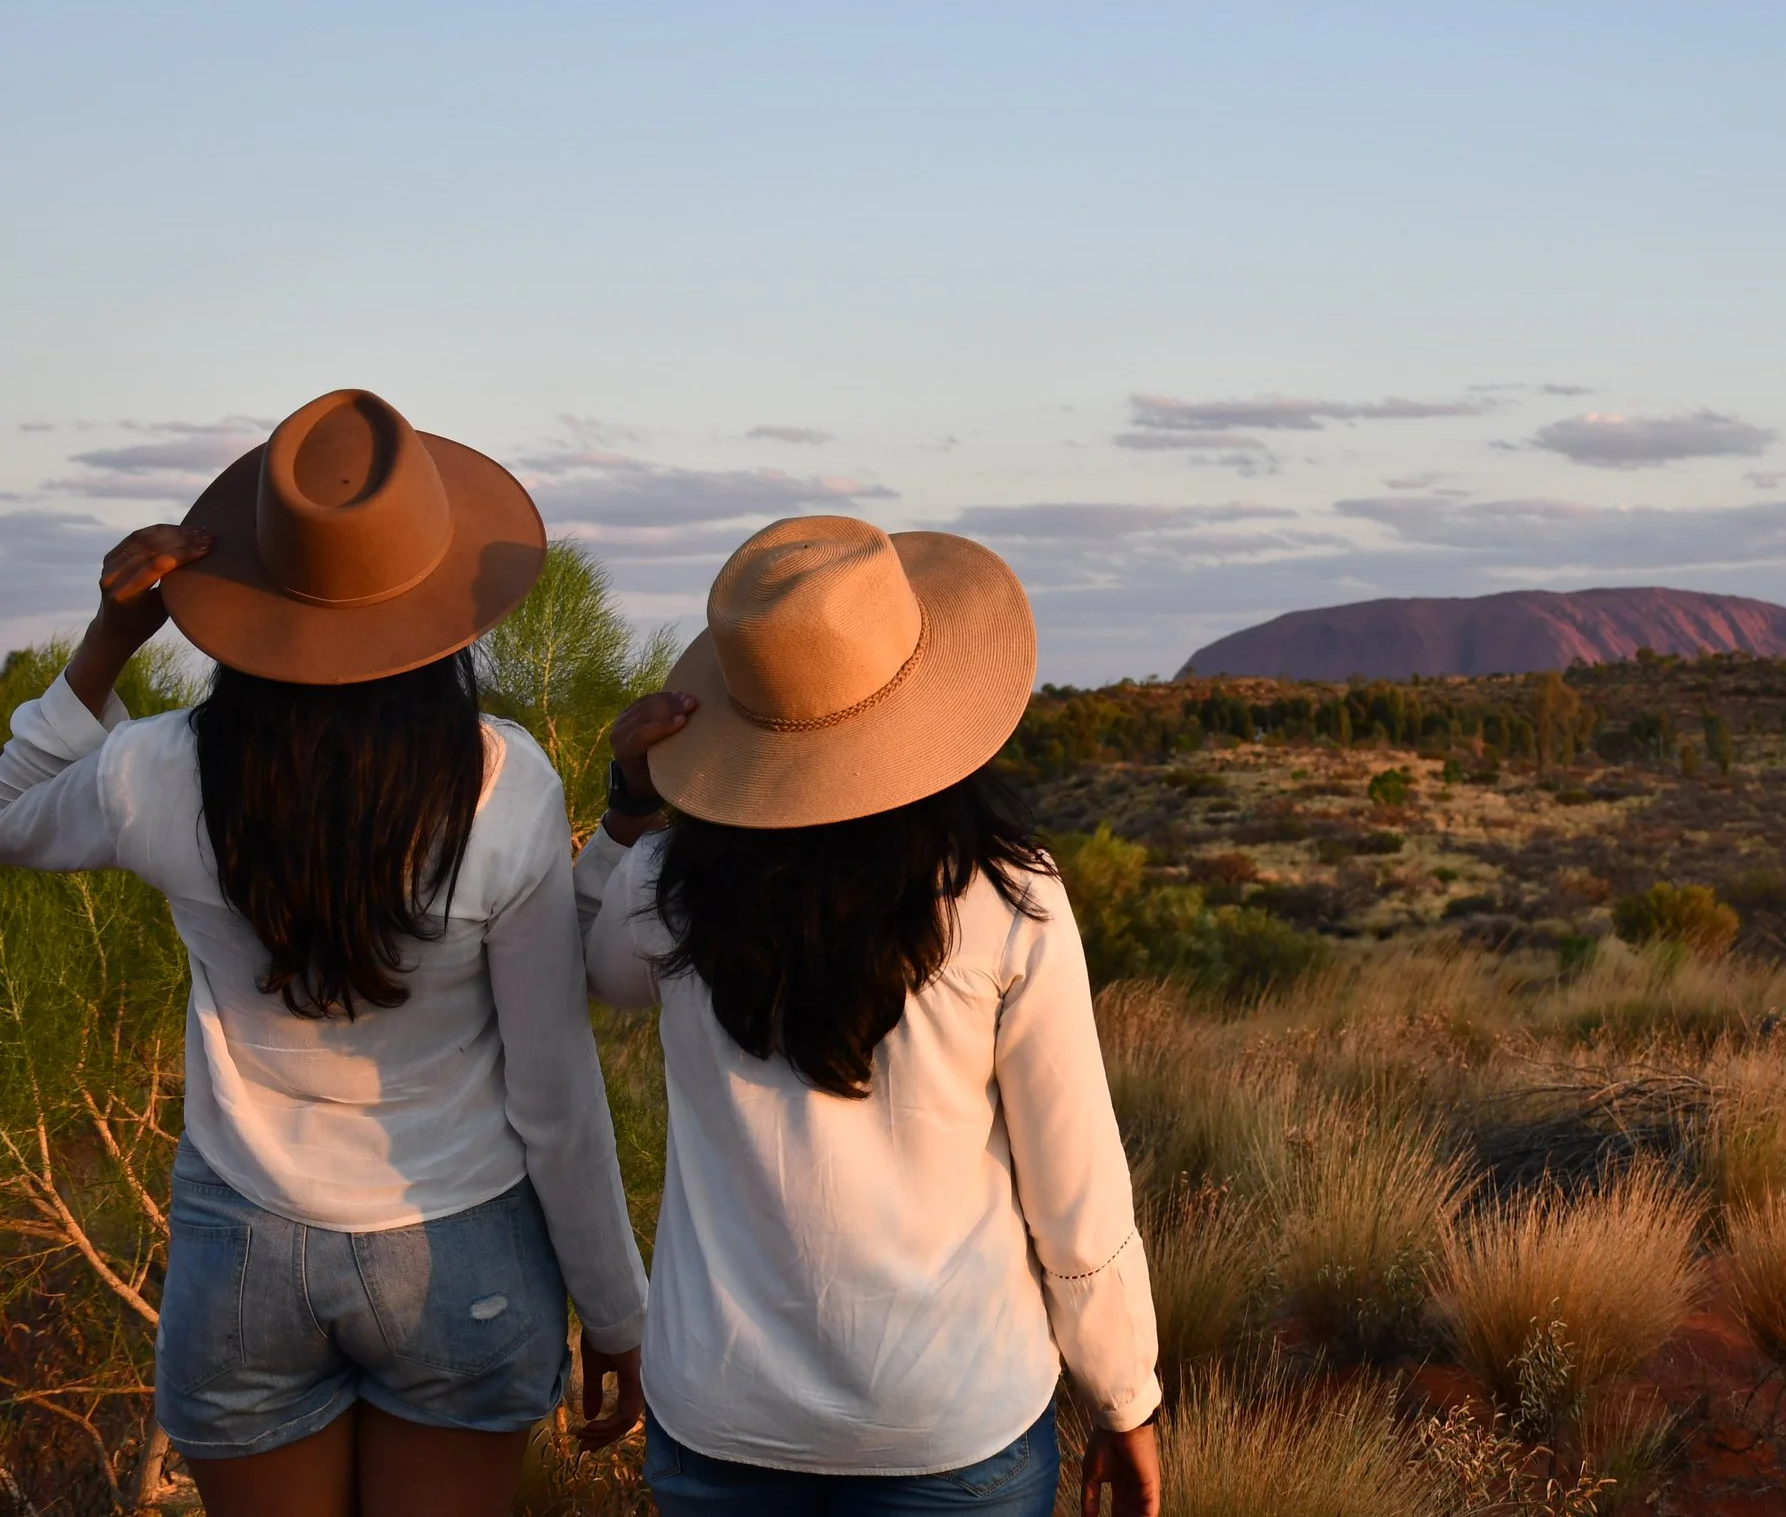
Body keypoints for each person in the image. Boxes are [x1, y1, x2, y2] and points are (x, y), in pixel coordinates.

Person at [0, 391, 648, 1517]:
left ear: (249, 596)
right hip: (464, 1247)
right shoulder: (504, 783)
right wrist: (617, 1312)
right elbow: (554, 1092)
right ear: (439, 603)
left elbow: (10, 814)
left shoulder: (155, 768)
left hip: (244, 1246)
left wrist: (110, 637)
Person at [572, 515, 1161, 1517]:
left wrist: (627, 808)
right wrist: (1123, 1395)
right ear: (924, 700)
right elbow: (1075, 1189)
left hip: (721, 1417)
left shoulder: (669, 882)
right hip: (949, 1423)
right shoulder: (1004, 893)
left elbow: (592, 965)